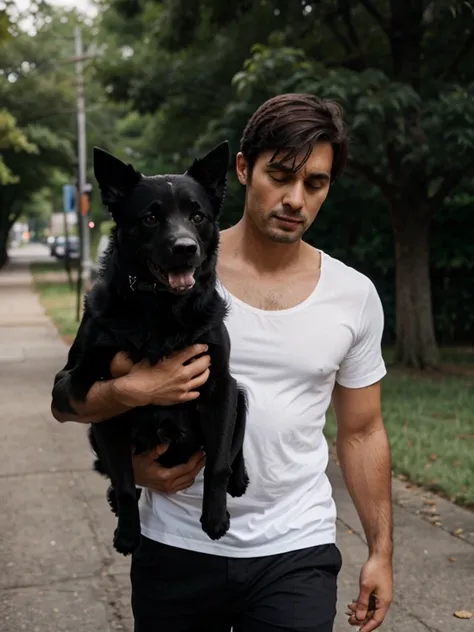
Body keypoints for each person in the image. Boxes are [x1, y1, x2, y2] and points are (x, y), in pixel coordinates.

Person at [51, 93, 393, 632]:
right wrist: (131, 400)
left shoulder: (354, 295)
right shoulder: (152, 277)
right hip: (174, 546)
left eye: (316, 183)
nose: (295, 199)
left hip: (296, 549)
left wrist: (380, 551)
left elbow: (362, 430)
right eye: (280, 176)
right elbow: (68, 403)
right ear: (241, 170)